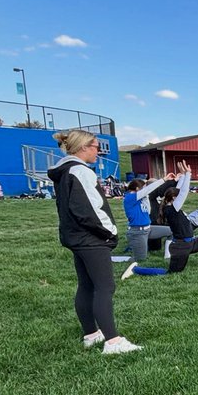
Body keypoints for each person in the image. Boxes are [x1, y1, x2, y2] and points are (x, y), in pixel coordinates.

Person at [47, 129, 140, 354]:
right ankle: (113, 341)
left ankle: (91, 334)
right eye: (96, 147)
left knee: (87, 285)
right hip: (91, 238)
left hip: (76, 238)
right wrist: (110, 232)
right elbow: (89, 209)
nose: (98, 152)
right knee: (105, 287)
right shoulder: (80, 172)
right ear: (83, 147)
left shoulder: (65, 171)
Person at [124, 163, 198, 277]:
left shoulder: (172, 206)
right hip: (181, 247)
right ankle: (136, 269)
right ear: (174, 198)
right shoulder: (171, 209)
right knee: (170, 273)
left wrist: (184, 175)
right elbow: (183, 192)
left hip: (191, 242)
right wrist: (188, 174)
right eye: (178, 197)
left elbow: (178, 189)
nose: (181, 198)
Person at [122, 176, 174, 261]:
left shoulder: (141, 198)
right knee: (140, 259)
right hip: (138, 231)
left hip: (148, 229)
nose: (145, 190)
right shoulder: (130, 198)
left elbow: (149, 210)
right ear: (137, 188)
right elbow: (148, 190)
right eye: (144, 188)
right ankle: (113, 258)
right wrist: (164, 180)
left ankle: (167, 256)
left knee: (172, 231)